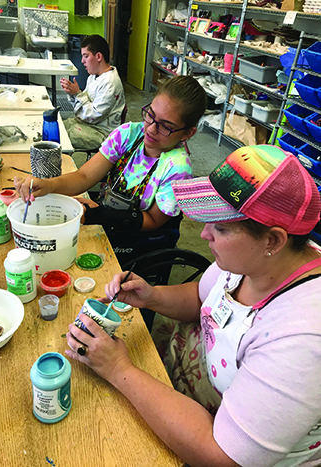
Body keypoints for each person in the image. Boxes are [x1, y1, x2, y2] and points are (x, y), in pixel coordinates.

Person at [65, 145, 321, 467]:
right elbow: (202, 298)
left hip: (212, 440)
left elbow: (222, 455)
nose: (202, 234)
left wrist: (119, 370)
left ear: (273, 240)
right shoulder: (254, 259)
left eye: (221, 227)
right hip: (186, 387)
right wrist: (153, 296)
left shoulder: (302, 338)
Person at [15, 75, 207, 267]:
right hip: (108, 217)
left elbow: (154, 221)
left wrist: (99, 215)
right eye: (150, 115)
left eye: (166, 126)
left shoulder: (177, 169)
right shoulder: (129, 135)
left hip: (137, 239)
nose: (151, 129)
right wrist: (49, 185)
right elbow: (84, 176)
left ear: (188, 133)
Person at [60, 34, 125, 150]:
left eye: (86, 56)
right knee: (58, 127)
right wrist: (73, 94)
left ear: (99, 56)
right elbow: (84, 106)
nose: (82, 61)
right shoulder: (93, 76)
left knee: (64, 136)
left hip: (102, 132)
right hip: (89, 124)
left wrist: (78, 94)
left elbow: (93, 116)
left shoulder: (110, 82)